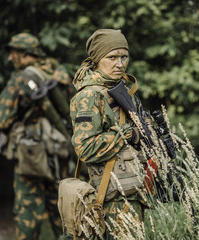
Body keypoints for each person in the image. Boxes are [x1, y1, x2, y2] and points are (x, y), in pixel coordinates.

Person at [70, 29, 150, 239]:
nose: (120, 63)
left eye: (124, 57)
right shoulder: (89, 96)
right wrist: (126, 133)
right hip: (111, 198)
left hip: (133, 192)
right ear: (97, 60)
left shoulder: (121, 90)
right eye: (112, 57)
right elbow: (84, 148)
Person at [0, 32, 75, 240]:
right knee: (64, 211)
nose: (10, 58)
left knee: (27, 211)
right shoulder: (60, 74)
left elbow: (2, 119)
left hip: (31, 155)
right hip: (59, 152)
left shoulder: (21, 79)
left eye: (13, 53)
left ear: (23, 53)